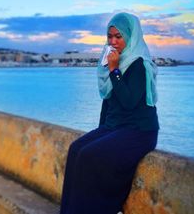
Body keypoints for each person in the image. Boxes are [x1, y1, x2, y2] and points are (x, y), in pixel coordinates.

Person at [60, 12, 159, 214]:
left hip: (139, 131)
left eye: (118, 37)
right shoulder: (112, 61)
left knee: (89, 156)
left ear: (131, 37)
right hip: (114, 127)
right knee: (76, 149)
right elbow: (108, 102)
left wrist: (115, 71)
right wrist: (100, 132)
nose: (113, 42)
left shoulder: (139, 64)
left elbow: (129, 102)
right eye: (110, 36)